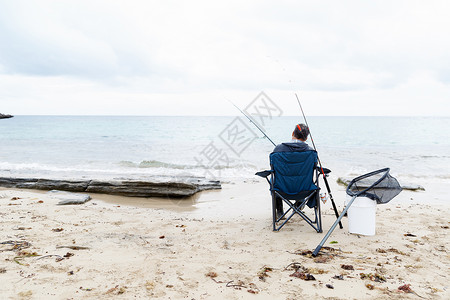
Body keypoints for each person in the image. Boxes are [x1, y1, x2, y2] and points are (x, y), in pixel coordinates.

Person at [272, 123, 313, 219]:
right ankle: (298, 205)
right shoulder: (311, 152)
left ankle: (280, 212)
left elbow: (274, 169)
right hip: (304, 190)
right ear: (306, 138)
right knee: (303, 178)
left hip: (281, 190)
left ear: (293, 133)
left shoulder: (278, 149)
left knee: (274, 179)